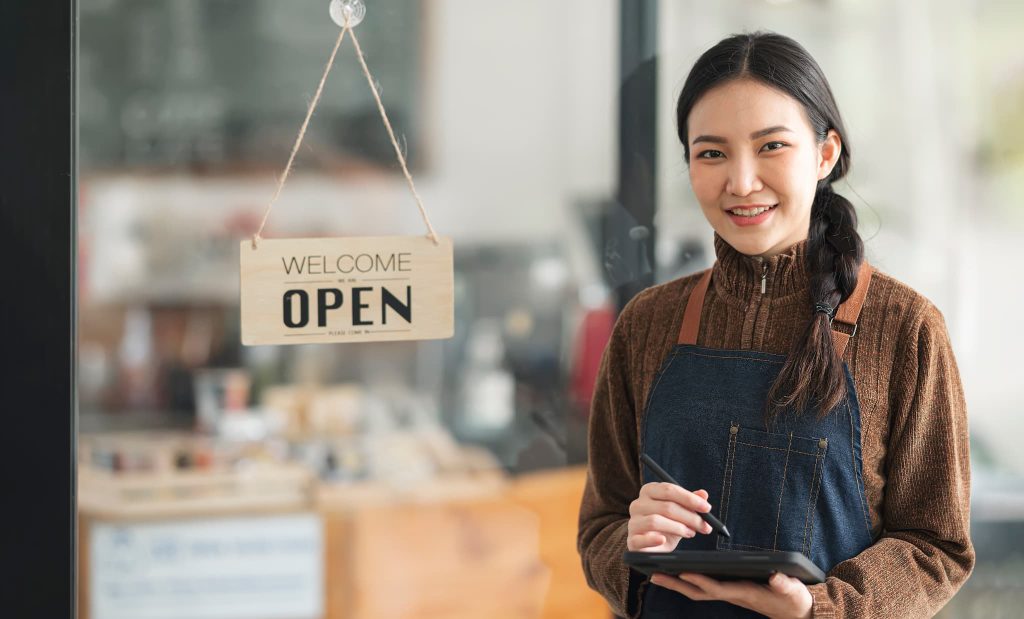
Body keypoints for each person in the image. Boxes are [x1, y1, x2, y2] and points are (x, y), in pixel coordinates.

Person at [577, 31, 974, 618]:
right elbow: (600, 526)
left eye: (771, 147)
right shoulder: (647, 323)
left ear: (824, 154)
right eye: (711, 152)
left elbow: (937, 548)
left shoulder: (905, 329)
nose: (740, 182)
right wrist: (631, 544)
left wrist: (822, 608)